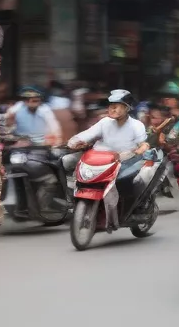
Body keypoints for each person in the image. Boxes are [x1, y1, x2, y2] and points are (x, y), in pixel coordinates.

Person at [65, 90, 152, 231]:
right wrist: (75, 141)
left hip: (124, 160)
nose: (113, 108)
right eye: (111, 105)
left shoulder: (136, 125)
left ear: (127, 108)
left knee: (126, 181)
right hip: (98, 159)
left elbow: (143, 143)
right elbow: (88, 134)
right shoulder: (104, 122)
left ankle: (133, 209)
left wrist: (140, 149)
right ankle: (71, 200)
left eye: (118, 105)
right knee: (66, 161)